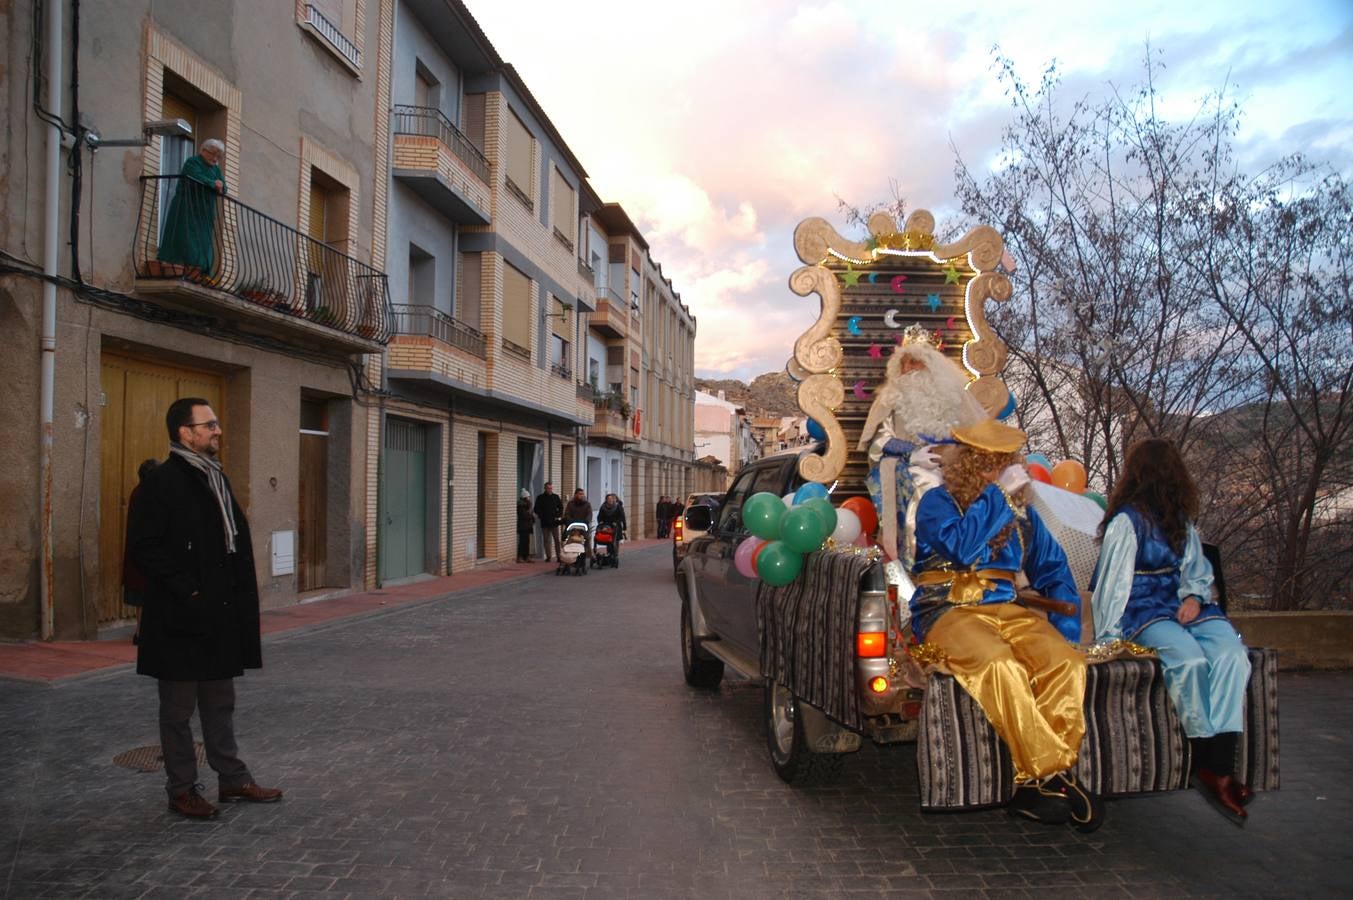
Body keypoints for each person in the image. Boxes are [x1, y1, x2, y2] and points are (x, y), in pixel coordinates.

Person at [909, 418, 1100, 830]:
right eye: (987, 466)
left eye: (1003, 465)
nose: (996, 474)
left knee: (1066, 664)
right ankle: (1053, 775)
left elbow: (1056, 574)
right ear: (967, 466)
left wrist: (1066, 642)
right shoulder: (937, 503)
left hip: (1005, 608)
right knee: (999, 664)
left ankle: (1035, 785)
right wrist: (998, 497)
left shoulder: (1023, 518)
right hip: (946, 609)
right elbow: (961, 548)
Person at [128, 397, 282, 819]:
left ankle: (232, 779)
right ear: (185, 432)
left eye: (216, 423)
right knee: (178, 710)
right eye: (209, 424)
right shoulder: (161, 483)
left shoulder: (213, 476)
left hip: (218, 615)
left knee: (220, 702)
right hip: (180, 617)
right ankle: (181, 789)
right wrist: (189, 592)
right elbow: (144, 547)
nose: (217, 430)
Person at [1090, 438, 1252, 821]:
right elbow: (1112, 585)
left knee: (1233, 655)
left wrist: (1194, 598)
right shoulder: (1126, 523)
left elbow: (1197, 571)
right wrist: (1109, 636)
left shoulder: (1181, 521)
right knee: (1190, 660)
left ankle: (1220, 765)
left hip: (1183, 606)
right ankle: (1211, 764)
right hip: (1143, 610)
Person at [156, 139, 227, 276]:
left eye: (218, 156)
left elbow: (224, 187)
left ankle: (198, 271)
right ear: (203, 151)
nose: (215, 158)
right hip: (187, 208)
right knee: (186, 238)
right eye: (212, 154)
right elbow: (195, 177)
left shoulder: (216, 169)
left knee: (203, 243)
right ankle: (181, 267)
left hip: (204, 213)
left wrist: (221, 186)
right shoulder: (193, 162)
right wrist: (213, 184)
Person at [122, 458, 159, 643]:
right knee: (147, 596)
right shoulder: (148, 495)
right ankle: (143, 632)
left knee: (142, 598)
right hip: (146, 555)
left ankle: (141, 631)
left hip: (138, 553)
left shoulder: (138, 492)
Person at [534, 482, 563, 562]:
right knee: (546, 540)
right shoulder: (540, 498)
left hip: (554, 522)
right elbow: (536, 509)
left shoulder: (555, 497)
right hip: (545, 522)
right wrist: (541, 515)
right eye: (548, 488)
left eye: (551, 488)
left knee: (557, 540)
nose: (549, 490)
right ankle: (548, 556)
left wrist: (558, 516)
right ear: (545, 488)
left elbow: (561, 507)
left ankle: (558, 556)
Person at [597, 493, 627, 563]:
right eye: (608, 499)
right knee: (608, 541)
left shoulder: (618, 506)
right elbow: (600, 516)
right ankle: (609, 555)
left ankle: (615, 555)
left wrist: (623, 526)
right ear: (606, 500)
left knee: (615, 542)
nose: (610, 500)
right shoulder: (603, 507)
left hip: (616, 526)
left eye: (611, 499)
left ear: (613, 499)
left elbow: (621, 516)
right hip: (607, 526)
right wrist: (600, 522)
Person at [563, 488, 593, 557]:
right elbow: (567, 514)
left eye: (582, 494)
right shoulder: (571, 504)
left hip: (583, 526)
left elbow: (589, 514)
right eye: (580, 494)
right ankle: (565, 556)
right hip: (572, 526)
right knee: (567, 538)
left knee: (586, 539)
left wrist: (587, 520)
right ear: (575, 494)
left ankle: (590, 555)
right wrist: (569, 520)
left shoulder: (587, 504)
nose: (581, 495)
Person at [516, 489, 535, 563]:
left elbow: (530, 515)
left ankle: (526, 556)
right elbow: (524, 515)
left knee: (527, 542)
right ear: (525, 497)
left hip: (528, 526)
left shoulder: (527, 506)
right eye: (528, 497)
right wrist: (530, 514)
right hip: (523, 526)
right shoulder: (521, 506)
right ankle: (520, 556)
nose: (529, 498)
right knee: (522, 542)